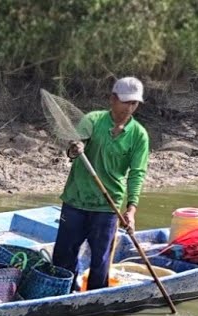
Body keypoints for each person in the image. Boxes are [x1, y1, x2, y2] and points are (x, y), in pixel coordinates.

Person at [52, 76, 151, 290]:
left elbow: (137, 173)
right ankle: (63, 294)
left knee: (101, 261)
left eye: (134, 103)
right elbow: (77, 145)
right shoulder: (93, 120)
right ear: (113, 99)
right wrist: (75, 149)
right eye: (126, 101)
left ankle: (94, 299)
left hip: (108, 206)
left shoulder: (139, 135)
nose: (129, 107)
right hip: (76, 200)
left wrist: (131, 209)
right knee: (63, 256)